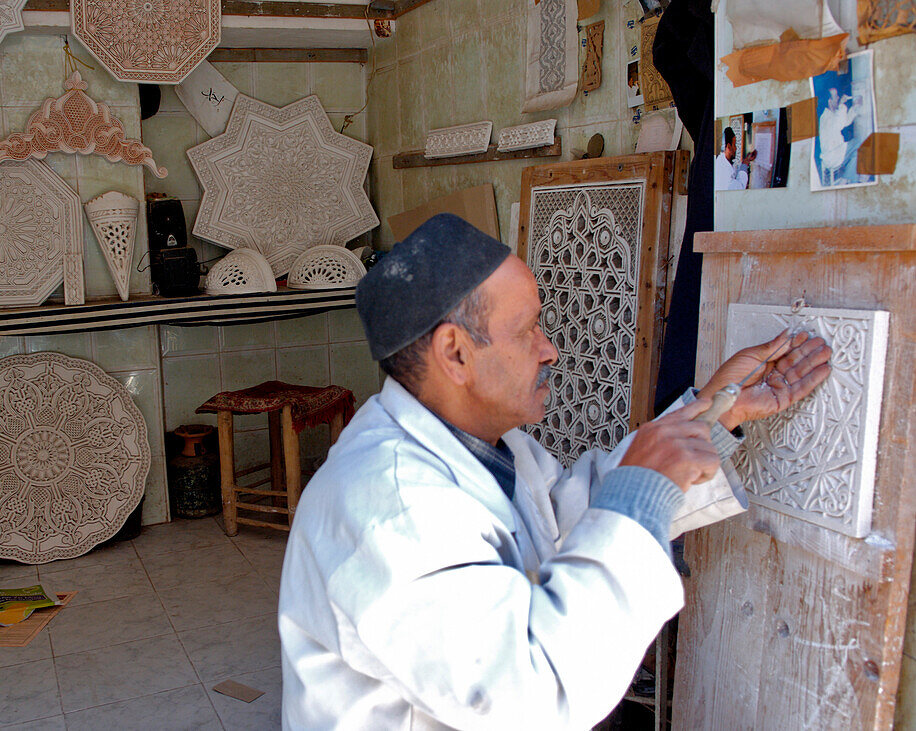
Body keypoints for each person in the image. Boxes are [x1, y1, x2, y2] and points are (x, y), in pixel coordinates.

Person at [278, 214, 831, 729]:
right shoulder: (389, 508)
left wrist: (717, 409)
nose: (551, 350)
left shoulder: (492, 443)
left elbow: (564, 518)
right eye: (528, 331)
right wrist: (641, 492)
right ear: (456, 354)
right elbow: (530, 693)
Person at [818, 87, 861, 186]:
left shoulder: (831, 114)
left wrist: (855, 107)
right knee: (860, 143)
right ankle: (845, 180)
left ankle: (848, 179)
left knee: (857, 152)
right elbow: (839, 123)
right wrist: (842, 105)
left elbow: (845, 122)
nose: (838, 98)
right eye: (835, 97)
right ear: (829, 101)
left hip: (836, 152)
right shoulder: (826, 118)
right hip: (833, 156)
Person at [714, 126, 752, 190]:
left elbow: (735, 173)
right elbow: (739, 188)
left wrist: (745, 162)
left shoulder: (724, 162)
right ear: (729, 146)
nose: (736, 148)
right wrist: (745, 165)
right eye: (734, 145)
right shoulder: (722, 168)